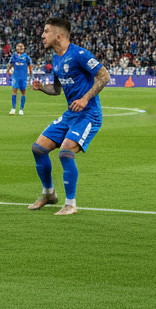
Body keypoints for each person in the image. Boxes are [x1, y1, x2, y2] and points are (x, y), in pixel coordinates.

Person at [27, 17, 110, 216]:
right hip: (71, 114)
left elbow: (104, 76)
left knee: (65, 152)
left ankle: (71, 204)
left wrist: (85, 98)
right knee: (38, 148)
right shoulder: (56, 58)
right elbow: (57, 90)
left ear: (59, 35)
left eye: (46, 31)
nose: (42, 35)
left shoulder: (80, 54)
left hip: (88, 114)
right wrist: (42, 89)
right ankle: (48, 193)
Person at [6, 42, 32, 115]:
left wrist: (30, 72)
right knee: (14, 90)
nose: (20, 48)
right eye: (19, 46)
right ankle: (13, 108)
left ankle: (21, 109)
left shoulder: (26, 56)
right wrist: (7, 71)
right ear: (17, 48)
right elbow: (10, 64)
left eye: (21, 46)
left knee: (23, 92)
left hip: (23, 76)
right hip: (15, 76)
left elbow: (30, 65)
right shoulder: (14, 56)